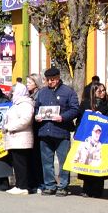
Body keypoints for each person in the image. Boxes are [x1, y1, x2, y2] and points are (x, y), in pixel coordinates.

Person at [34, 67, 80, 196]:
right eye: (48, 80)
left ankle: (63, 186)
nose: (50, 82)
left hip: (61, 131)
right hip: (45, 131)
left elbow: (75, 109)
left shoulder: (68, 91)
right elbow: (37, 107)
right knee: (46, 161)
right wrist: (37, 115)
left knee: (63, 160)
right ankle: (49, 185)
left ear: (58, 78)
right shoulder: (42, 92)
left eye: (52, 79)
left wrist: (63, 117)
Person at [1, 82, 36, 194]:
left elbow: (25, 120)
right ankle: (19, 185)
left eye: (13, 91)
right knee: (17, 163)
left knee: (21, 164)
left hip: (21, 139)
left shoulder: (26, 104)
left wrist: (9, 127)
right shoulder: (16, 104)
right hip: (15, 139)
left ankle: (23, 187)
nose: (11, 94)